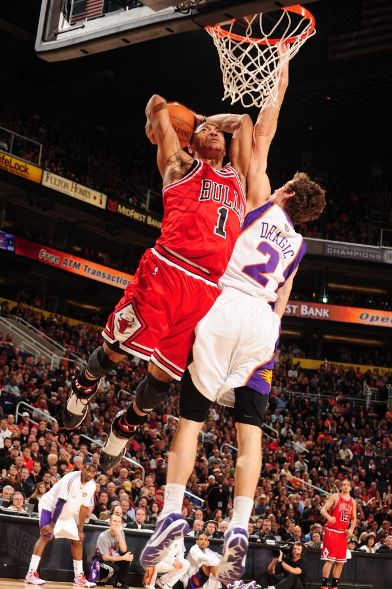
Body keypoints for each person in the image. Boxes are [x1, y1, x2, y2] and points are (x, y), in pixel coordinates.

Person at [139, 45, 326, 584]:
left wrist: (283, 73)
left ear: (288, 190)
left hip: (225, 303)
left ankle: (172, 511)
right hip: (265, 328)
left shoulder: (263, 197)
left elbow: (258, 128)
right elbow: (284, 300)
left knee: (191, 419)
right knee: (251, 436)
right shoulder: (299, 246)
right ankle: (240, 525)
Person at [63, 94, 253, 474]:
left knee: (163, 376)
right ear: (190, 141)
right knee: (114, 349)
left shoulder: (239, 178)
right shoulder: (178, 165)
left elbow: (244, 123)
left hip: (206, 290)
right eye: (206, 132)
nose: (216, 133)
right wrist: (186, 121)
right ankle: (85, 385)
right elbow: (156, 102)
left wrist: (204, 118)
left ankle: (124, 426)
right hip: (167, 270)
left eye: (218, 132)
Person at [25, 462, 97, 587]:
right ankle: (31, 573)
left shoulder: (92, 486)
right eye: (87, 470)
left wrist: (80, 530)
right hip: (50, 507)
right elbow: (60, 502)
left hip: (66, 512)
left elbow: (84, 509)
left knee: (77, 540)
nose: (89, 474)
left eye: (92, 472)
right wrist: (52, 525)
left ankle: (79, 577)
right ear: (82, 469)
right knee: (46, 535)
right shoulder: (71, 478)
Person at [320, 478, 357, 589]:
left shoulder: (353, 501)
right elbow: (323, 510)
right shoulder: (335, 496)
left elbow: (354, 518)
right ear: (341, 486)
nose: (345, 486)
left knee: (340, 562)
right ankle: (324, 585)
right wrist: (329, 517)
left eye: (347, 485)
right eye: (343, 484)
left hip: (343, 534)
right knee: (330, 560)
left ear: (350, 487)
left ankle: (334, 586)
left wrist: (351, 529)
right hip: (332, 531)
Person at [95, 512, 134, 589]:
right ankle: (100, 580)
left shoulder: (121, 532)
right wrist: (123, 558)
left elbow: (123, 550)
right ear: (110, 523)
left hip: (113, 558)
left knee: (127, 555)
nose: (116, 524)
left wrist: (119, 534)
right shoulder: (103, 536)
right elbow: (105, 558)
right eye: (114, 521)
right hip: (100, 562)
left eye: (119, 522)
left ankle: (119, 582)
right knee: (115, 567)